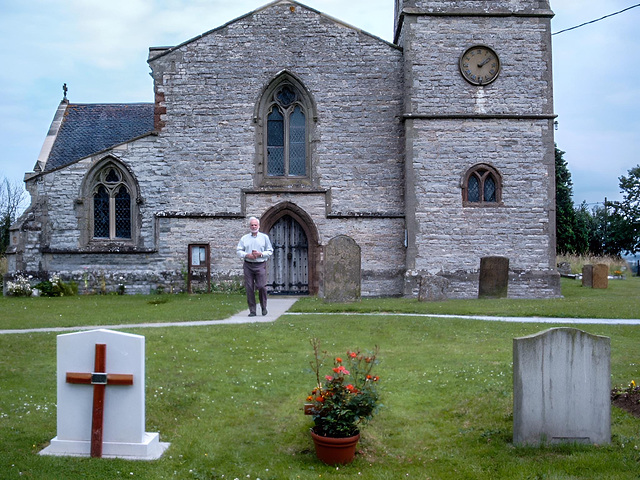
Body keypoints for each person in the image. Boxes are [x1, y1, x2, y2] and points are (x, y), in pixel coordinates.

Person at [236, 217, 273, 316]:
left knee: (261, 286)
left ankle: (263, 307)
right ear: (249, 226)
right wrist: (247, 255)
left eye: (255, 225)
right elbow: (239, 250)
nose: (253, 227)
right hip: (248, 264)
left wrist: (260, 254)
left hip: (260, 264)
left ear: (259, 226)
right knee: (249, 288)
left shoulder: (264, 238)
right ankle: (252, 310)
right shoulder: (244, 238)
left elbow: (270, 251)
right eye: (252, 225)